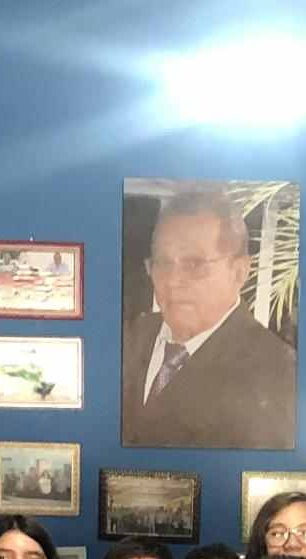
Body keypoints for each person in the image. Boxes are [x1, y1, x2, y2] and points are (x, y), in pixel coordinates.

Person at [122, 183, 295, 450]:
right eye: (163, 263)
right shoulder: (126, 339)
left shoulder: (280, 374)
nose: (173, 280)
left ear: (239, 272)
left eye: (194, 264)